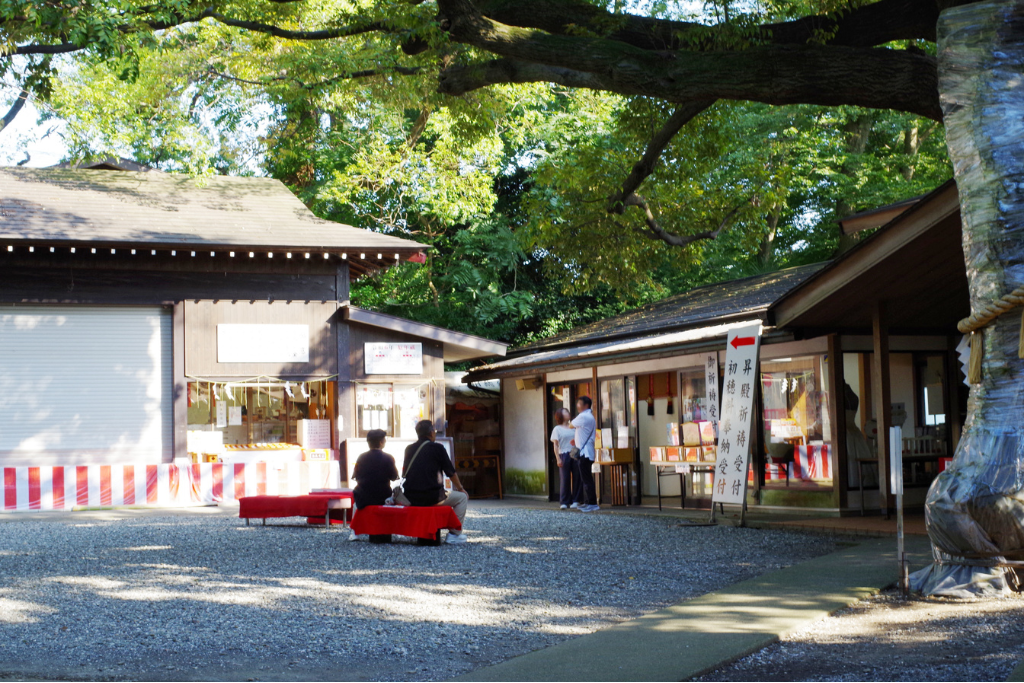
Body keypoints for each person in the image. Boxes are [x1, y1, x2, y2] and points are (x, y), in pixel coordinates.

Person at [394, 420, 470, 544]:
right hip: (432, 497)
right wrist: (461, 488)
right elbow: (451, 473)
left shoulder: (409, 449)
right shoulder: (438, 448)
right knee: (461, 498)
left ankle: (453, 533)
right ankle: (454, 534)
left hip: (411, 497)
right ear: (431, 433)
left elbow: (404, 474)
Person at [349, 429, 399, 541]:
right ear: (381, 442)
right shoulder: (388, 458)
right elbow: (394, 477)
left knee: (355, 505)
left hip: (363, 497)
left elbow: (356, 476)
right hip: (383, 496)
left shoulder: (361, 457)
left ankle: (354, 532)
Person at [571, 396, 599, 511]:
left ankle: (592, 503)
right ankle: (589, 502)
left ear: (586, 405)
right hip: (587, 452)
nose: (578, 406)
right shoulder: (590, 416)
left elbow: (570, 425)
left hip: (585, 453)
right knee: (586, 478)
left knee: (587, 479)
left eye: (579, 404)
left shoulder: (583, 416)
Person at [551, 408, 581, 509]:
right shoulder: (557, 429)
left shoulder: (573, 427)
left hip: (575, 452)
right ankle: (564, 501)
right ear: (560, 415)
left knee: (577, 477)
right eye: (565, 412)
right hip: (563, 453)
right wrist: (558, 458)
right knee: (565, 478)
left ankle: (576, 500)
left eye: (568, 412)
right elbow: (555, 445)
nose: (568, 413)